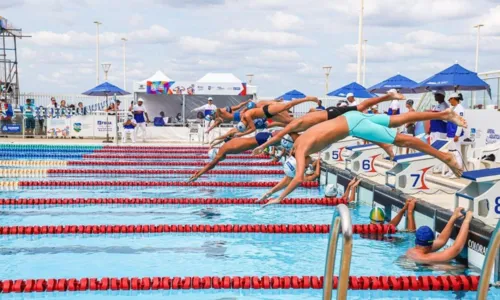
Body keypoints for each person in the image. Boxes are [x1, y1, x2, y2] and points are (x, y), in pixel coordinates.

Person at [261, 108, 467, 206]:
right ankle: (444, 114)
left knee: (403, 140)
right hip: (351, 117)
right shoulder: (298, 145)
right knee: (397, 119)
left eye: (303, 166)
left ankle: (444, 157)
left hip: (353, 124)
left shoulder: (302, 149)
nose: (307, 167)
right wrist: (268, 193)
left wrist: (279, 199)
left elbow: (295, 179)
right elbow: (289, 177)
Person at [252, 90, 406, 158]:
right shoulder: (295, 126)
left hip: (331, 114)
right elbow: (278, 131)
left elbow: (278, 135)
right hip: (330, 118)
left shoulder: (292, 126)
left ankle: (388, 96)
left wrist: (261, 146)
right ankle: (385, 146)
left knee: (362, 107)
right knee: (357, 128)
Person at [188, 131, 300, 182]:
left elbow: (211, 165)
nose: (220, 160)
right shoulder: (224, 147)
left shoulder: (221, 152)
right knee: (284, 139)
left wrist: (198, 174)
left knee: (286, 138)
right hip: (259, 138)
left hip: (259, 140)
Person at [406, 208, 472, 264]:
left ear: (416, 241)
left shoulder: (411, 251)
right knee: (455, 267)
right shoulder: (425, 258)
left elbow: (441, 240)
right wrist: (466, 221)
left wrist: (454, 217)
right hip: (425, 271)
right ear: (431, 243)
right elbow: (456, 249)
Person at [235, 96, 319, 137]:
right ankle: (309, 113)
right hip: (268, 116)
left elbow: (253, 129)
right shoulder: (244, 116)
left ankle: (308, 98)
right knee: (288, 121)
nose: (248, 125)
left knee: (287, 106)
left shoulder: (247, 116)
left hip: (267, 110)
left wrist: (242, 134)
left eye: (246, 125)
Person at [209, 119, 286, 149]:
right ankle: (284, 125)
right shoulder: (235, 135)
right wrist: (213, 144)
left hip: (254, 126)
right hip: (255, 127)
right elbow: (222, 139)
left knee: (271, 124)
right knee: (271, 125)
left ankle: (284, 124)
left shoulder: (232, 132)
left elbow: (222, 138)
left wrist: (213, 142)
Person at [443, 93, 466, 178]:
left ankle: (458, 171)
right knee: (450, 153)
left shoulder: (460, 109)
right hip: (449, 133)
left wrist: (457, 134)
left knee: (456, 153)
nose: (449, 101)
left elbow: (460, 122)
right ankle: (451, 170)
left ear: (453, 99)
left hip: (455, 134)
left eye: (450, 100)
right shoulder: (452, 108)